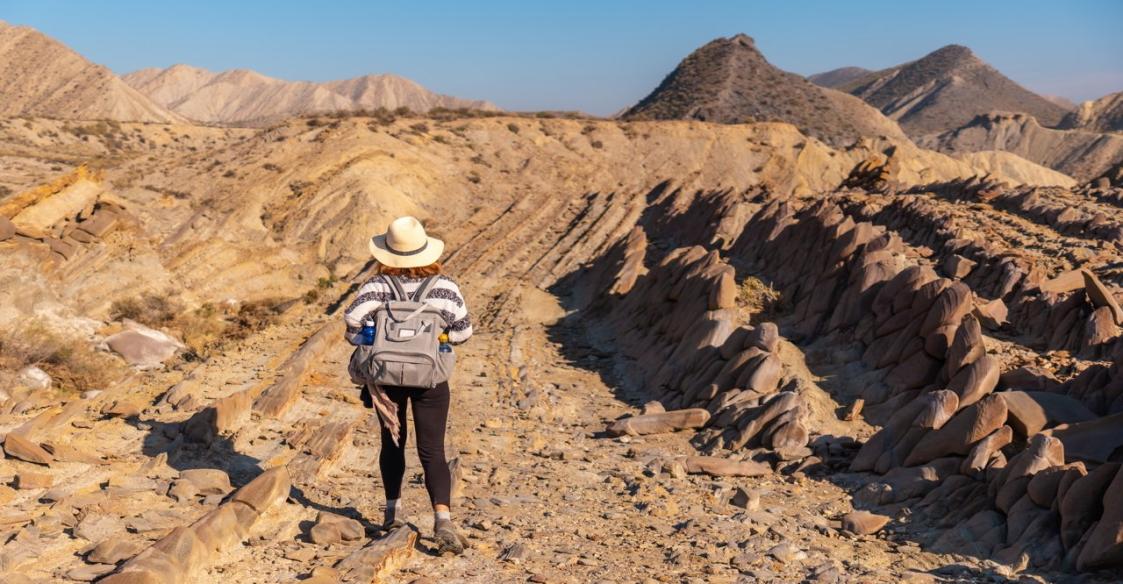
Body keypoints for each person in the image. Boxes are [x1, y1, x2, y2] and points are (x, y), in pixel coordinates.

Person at [343, 216, 472, 554]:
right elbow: (463, 331)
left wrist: (373, 340)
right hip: (430, 379)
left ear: (387, 254)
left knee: (392, 443)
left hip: (385, 379)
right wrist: (439, 337)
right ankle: (442, 520)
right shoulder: (445, 287)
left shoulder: (375, 287)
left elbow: (352, 324)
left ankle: (392, 514)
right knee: (433, 450)